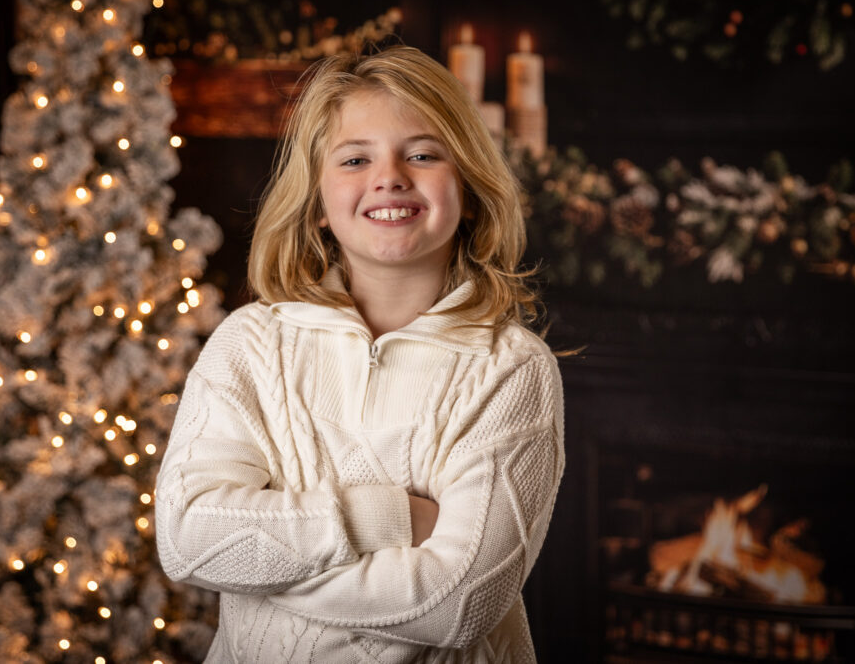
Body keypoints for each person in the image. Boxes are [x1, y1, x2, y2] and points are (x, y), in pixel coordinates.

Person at [155, 45, 565, 663]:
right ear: (318, 203)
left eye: (423, 154)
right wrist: (387, 517)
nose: (390, 176)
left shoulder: (511, 367)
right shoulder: (249, 345)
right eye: (355, 158)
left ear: (469, 189)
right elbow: (189, 538)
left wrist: (261, 566)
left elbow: (458, 604)